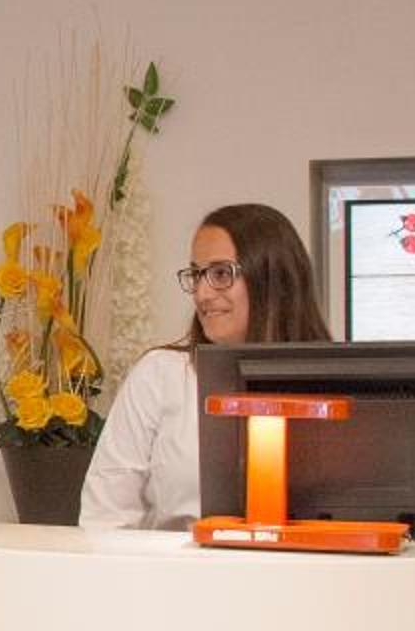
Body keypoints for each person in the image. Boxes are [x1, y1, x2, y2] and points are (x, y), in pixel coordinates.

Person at [80, 201, 331, 531]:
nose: (202, 293)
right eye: (197, 275)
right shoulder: (160, 376)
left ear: (272, 279)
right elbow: (104, 517)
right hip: (175, 563)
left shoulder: (332, 385)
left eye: (221, 274)